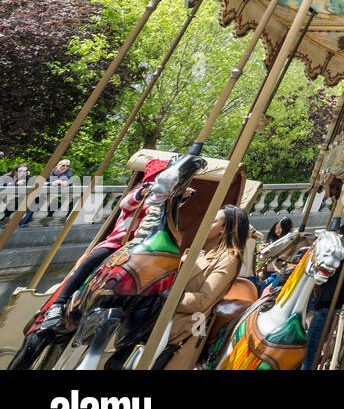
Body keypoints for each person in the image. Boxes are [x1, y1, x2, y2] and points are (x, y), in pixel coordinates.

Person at [37, 158, 171, 330]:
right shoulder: (140, 193)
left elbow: (168, 217)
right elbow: (126, 203)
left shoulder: (162, 200)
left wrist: (182, 198)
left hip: (142, 250)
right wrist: (145, 190)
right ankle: (58, 304)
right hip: (120, 243)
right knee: (92, 260)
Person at [159, 204, 250, 370]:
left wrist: (168, 296)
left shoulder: (228, 259)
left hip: (185, 329)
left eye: (212, 221)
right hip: (164, 318)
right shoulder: (197, 252)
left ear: (224, 229)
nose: (204, 223)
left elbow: (203, 300)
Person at [302, 223, 344, 370]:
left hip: (327, 303)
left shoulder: (343, 254)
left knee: (312, 346)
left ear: (343, 237)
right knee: (314, 344)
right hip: (329, 302)